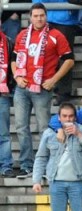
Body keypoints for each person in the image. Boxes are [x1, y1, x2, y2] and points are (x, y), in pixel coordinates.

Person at [11, 3, 74, 179]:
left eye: (42, 15)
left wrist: (54, 79)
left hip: (42, 88)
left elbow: (69, 60)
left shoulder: (56, 35)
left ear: (46, 16)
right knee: (21, 127)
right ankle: (26, 165)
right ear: (30, 17)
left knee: (44, 129)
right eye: (36, 16)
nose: (39, 19)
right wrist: (17, 76)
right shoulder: (22, 35)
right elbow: (14, 58)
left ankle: (47, 165)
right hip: (22, 87)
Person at [0, 27, 14, 178]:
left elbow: (13, 65)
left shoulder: (8, 42)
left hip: (2, 93)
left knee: (3, 133)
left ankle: (5, 165)